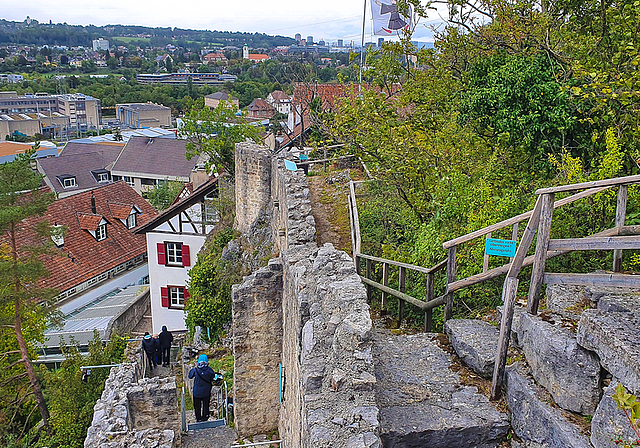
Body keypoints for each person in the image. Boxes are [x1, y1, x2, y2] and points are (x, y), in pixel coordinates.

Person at [188, 354, 222, 422]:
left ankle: (198, 418)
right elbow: (213, 377)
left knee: (197, 406)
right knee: (205, 405)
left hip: (197, 392)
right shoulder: (209, 370)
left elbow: (190, 376)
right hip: (206, 391)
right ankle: (205, 418)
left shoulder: (195, 370)